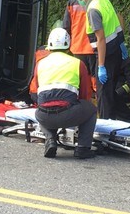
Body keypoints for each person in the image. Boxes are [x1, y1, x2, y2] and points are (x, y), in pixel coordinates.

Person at [66, 0, 128, 120]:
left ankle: (105, 125)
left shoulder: (92, 9)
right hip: (116, 50)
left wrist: (101, 66)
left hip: (106, 54)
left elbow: (100, 39)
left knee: (103, 92)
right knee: (109, 90)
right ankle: (112, 120)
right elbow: (116, 25)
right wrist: (122, 45)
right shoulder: (103, 0)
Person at [30, 28, 97, 159]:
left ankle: (50, 139)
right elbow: (85, 96)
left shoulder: (40, 64)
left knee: (41, 109)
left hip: (44, 116)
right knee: (91, 109)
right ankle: (83, 148)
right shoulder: (78, 63)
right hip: (68, 115)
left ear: (49, 45)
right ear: (68, 45)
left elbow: (35, 92)